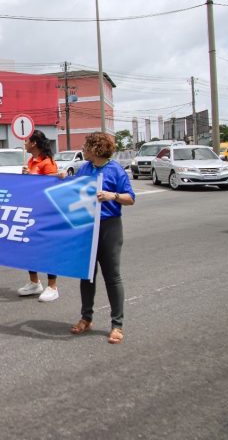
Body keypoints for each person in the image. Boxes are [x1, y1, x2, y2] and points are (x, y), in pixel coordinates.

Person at [67, 132, 135, 345]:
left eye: (86, 146)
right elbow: (73, 190)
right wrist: (62, 179)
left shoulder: (115, 170)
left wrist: (111, 196)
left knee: (112, 276)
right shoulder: (85, 168)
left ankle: (117, 325)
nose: (83, 149)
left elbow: (130, 198)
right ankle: (86, 318)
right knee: (87, 275)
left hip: (109, 227)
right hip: (87, 226)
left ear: (96, 149)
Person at [17, 130, 60, 302]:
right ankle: (34, 283)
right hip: (32, 212)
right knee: (29, 248)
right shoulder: (31, 161)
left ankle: (53, 286)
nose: (25, 143)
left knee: (47, 250)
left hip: (45, 214)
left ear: (34, 143)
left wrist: (32, 179)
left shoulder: (47, 163)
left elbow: (51, 189)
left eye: (27, 140)